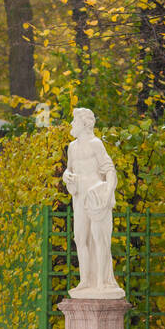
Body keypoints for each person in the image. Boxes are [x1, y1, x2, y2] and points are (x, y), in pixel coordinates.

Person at [61, 107, 123, 298]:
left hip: (96, 198)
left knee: (99, 239)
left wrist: (107, 193)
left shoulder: (96, 144)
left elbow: (110, 170)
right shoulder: (72, 147)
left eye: (74, 121)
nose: (71, 124)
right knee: (80, 238)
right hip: (79, 197)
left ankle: (101, 282)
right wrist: (66, 176)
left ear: (84, 124)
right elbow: (68, 169)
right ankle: (85, 280)